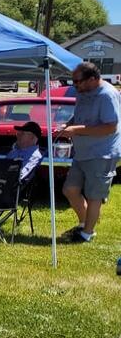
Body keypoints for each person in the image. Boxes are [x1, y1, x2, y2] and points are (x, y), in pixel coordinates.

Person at [59, 61, 121, 243]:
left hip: (102, 153)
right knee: (70, 190)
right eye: (73, 81)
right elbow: (79, 116)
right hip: (82, 152)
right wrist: (69, 124)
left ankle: (87, 233)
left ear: (93, 79)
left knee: (94, 195)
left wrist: (76, 130)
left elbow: (109, 127)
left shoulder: (107, 95)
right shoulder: (83, 92)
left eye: (77, 81)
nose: (74, 85)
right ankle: (85, 223)